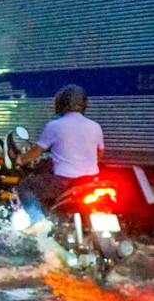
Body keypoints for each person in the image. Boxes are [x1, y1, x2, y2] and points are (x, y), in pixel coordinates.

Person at [14, 84, 103, 236]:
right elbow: (100, 153)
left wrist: (20, 160)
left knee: (25, 185)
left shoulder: (54, 126)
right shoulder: (95, 126)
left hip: (64, 182)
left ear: (60, 103)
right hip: (90, 181)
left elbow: (36, 151)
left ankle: (38, 221)